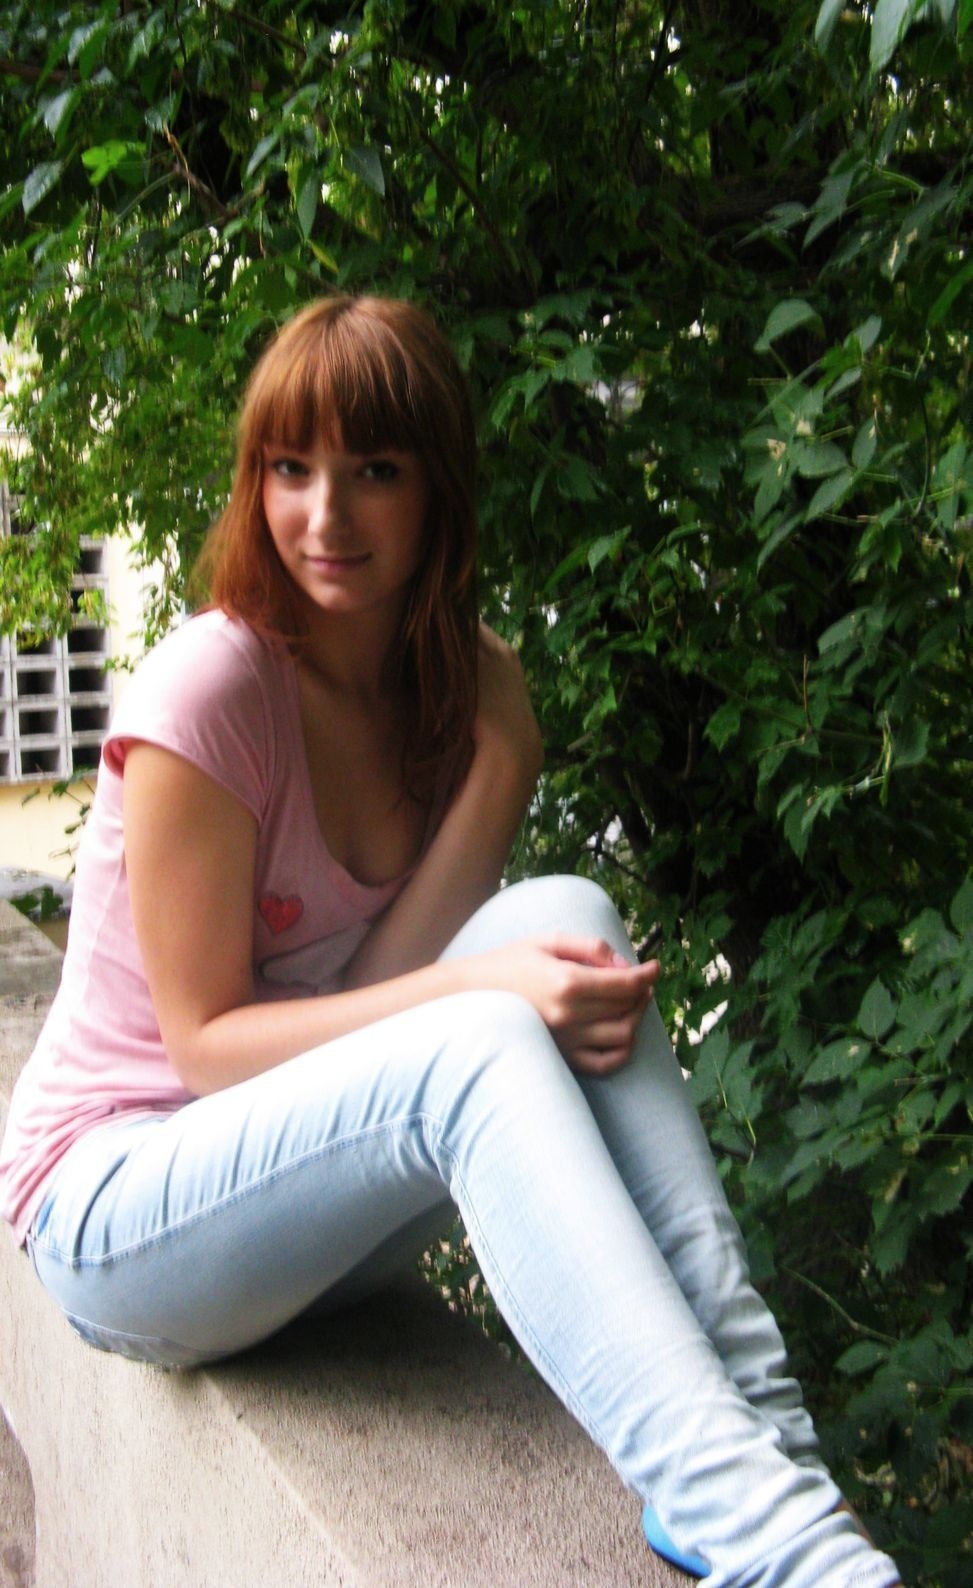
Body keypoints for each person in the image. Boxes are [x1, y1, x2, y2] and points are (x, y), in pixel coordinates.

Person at [0, 296, 902, 1587]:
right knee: (488, 1024)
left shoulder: (444, 686)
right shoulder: (210, 689)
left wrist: (506, 757)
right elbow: (205, 1048)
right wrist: (484, 989)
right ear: (254, 484)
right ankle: (784, 1550)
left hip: (293, 1189)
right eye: (290, 469)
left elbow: (381, 989)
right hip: (118, 1207)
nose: (325, 515)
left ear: (436, 489)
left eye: (374, 470)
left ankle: (770, 1456)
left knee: (568, 921)